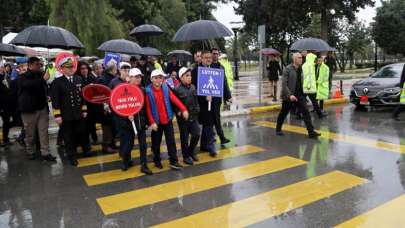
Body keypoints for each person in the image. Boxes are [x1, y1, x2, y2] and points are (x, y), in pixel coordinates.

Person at [51, 56, 91, 166]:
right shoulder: (57, 82)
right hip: (66, 114)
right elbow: (55, 100)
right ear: (62, 69)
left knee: (82, 132)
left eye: (72, 67)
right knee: (68, 136)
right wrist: (57, 115)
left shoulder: (78, 79)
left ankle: (86, 150)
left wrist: (84, 109)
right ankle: (71, 156)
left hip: (78, 113)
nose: (70, 69)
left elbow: (82, 96)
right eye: (68, 68)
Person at [145, 69, 188, 170]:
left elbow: (174, 99)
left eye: (161, 77)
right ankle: (157, 160)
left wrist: (183, 109)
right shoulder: (148, 91)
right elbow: (148, 108)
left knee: (171, 141)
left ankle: (174, 161)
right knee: (156, 143)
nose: (159, 80)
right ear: (152, 79)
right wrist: (152, 122)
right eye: (156, 78)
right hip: (157, 122)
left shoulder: (165, 87)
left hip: (167, 120)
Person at [276, 53, 321, 139]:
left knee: (305, 111)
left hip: (299, 94)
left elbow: (301, 81)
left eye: (301, 58)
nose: (301, 59)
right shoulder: (287, 69)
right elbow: (284, 85)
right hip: (289, 95)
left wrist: (304, 92)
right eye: (299, 58)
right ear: (294, 59)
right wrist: (290, 95)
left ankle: (311, 132)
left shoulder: (301, 68)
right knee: (284, 112)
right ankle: (278, 129)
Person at [18, 57, 56, 161]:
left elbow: (45, 87)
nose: (39, 66)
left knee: (43, 132)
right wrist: (43, 79)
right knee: (30, 134)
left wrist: (47, 95)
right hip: (29, 110)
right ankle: (30, 150)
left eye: (40, 64)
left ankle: (45, 152)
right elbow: (28, 85)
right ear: (30, 65)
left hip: (42, 108)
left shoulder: (41, 74)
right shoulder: (23, 76)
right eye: (37, 64)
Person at [174, 67, 200, 165]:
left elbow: (196, 100)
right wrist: (179, 112)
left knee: (196, 134)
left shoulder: (193, 87)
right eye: (187, 76)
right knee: (184, 138)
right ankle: (186, 156)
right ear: (181, 78)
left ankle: (191, 151)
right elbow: (174, 104)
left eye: (190, 75)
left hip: (193, 116)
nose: (189, 77)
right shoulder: (177, 89)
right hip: (183, 120)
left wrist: (197, 108)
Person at [210, 48, 232, 145]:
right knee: (210, 119)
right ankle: (217, 137)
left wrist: (228, 96)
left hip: (217, 98)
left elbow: (224, 82)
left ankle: (217, 137)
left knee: (216, 118)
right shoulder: (207, 66)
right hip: (208, 98)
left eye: (217, 54)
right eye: (213, 53)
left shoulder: (221, 67)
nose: (215, 55)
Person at [97, 60, 118, 154]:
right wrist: (105, 105)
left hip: (112, 106)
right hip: (105, 107)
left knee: (112, 125)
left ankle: (112, 143)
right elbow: (101, 94)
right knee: (107, 127)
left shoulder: (112, 77)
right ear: (112, 69)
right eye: (116, 68)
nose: (117, 70)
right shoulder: (103, 79)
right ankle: (106, 145)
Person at [76, 61, 98, 144]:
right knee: (84, 124)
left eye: (85, 68)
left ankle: (94, 137)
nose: (84, 70)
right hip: (82, 105)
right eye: (82, 69)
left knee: (92, 123)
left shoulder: (91, 78)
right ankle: (85, 141)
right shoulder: (77, 79)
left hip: (92, 104)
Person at [301, 51, 326, 118]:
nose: (315, 60)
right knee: (314, 101)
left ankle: (298, 114)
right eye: (314, 59)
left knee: (302, 100)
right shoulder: (312, 65)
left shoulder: (304, 65)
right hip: (311, 86)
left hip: (305, 85)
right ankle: (320, 115)